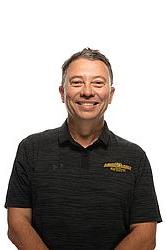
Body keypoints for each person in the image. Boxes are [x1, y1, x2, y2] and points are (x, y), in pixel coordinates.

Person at [5, 48, 162, 250]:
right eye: (77, 82)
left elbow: (145, 234)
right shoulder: (31, 149)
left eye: (98, 83)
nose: (87, 91)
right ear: (62, 92)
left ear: (111, 94)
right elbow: (17, 224)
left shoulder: (134, 157)